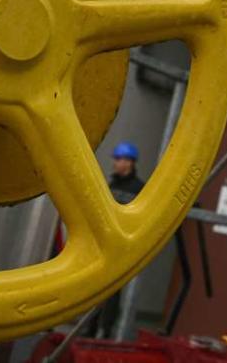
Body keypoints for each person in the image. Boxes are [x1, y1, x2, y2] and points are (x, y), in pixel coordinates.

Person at [88, 142, 146, 339]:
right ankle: (90, 328)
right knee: (95, 289)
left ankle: (106, 331)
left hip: (121, 247)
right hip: (102, 244)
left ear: (129, 162)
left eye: (120, 160)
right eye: (116, 159)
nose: (117, 164)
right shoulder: (110, 184)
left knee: (112, 292)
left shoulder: (139, 188)